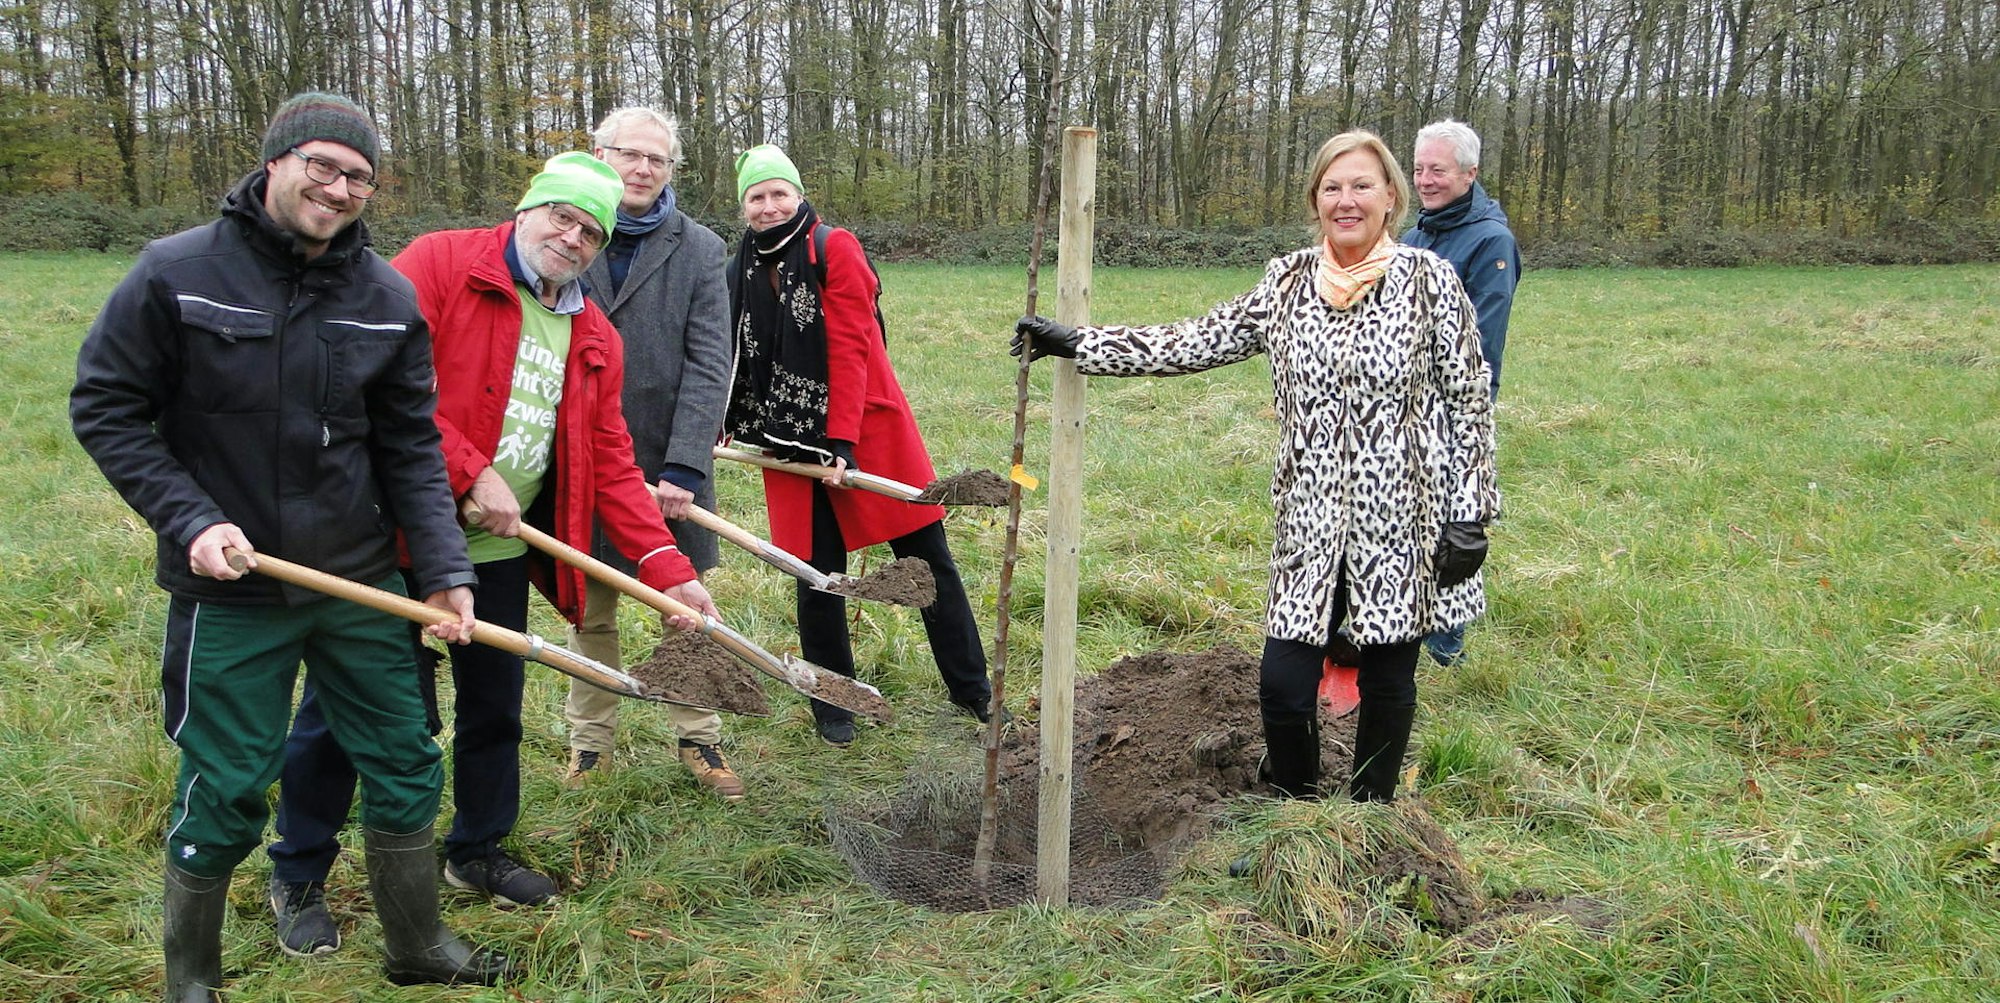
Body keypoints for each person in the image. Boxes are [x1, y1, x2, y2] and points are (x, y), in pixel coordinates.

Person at [70, 92, 507, 998]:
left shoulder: (385, 298)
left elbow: (411, 450)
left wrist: (446, 571)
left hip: (358, 584)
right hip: (234, 589)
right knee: (226, 780)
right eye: (323, 166)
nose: (340, 188)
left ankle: (416, 945)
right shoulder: (174, 272)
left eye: (360, 177)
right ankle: (192, 977)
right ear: (275, 161)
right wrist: (191, 519)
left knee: (405, 759)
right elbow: (105, 408)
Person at [267, 153, 720, 926]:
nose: (572, 238)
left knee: (494, 710)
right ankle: (300, 872)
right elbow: (373, 383)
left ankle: (476, 850)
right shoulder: (441, 264)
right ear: (528, 209)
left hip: (499, 557)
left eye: (590, 232)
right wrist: (470, 471)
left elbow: (612, 460)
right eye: (561, 218)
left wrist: (669, 568)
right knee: (348, 713)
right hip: (390, 540)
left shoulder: (594, 332)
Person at [1014, 130, 1498, 804]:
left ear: (1393, 196)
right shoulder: (1287, 283)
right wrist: (1081, 344)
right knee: (1283, 682)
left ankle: (1371, 814)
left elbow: (1471, 400)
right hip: (1311, 516)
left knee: (1389, 678)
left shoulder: (1429, 283)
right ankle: (1295, 805)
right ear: (1316, 201)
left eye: (1362, 185)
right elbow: (1194, 340)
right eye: (1333, 187)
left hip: (1404, 519)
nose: (1347, 200)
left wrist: (1472, 513)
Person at [726, 143, 996, 748]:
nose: (769, 207)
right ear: (743, 207)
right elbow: (737, 352)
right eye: (756, 197)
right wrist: (726, 421)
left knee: (926, 564)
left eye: (779, 194)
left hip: (866, 431)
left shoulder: (833, 247)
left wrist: (840, 443)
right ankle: (835, 702)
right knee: (817, 572)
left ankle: (973, 690)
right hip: (786, 439)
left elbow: (851, 347)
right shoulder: (739, 262)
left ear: (798, 195)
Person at [559, 107, 740, 798]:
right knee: (590, 608)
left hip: (670, 462)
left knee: (685, 606)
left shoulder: (697, 247)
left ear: (670, 171)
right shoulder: (568, 233)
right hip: (581, 460)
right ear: (599, 155)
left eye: (655, 159)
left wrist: (686, 463)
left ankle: (700, 738)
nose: (640, 168)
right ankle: (589, 747)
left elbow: (708, 360)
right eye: (628, 154)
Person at [1401, 119, 1520, 667]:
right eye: (1420, 169)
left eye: (1439, 171)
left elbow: (1483, 341)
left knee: (1452, 526)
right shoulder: (1415, 234)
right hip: (1402, 404)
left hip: (1453, 405)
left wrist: (1467, 421)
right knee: (1408, 519)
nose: (1426, 180)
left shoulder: (1490, 241)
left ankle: (1446, 650)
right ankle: (1405, 627)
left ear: (1470, 174)